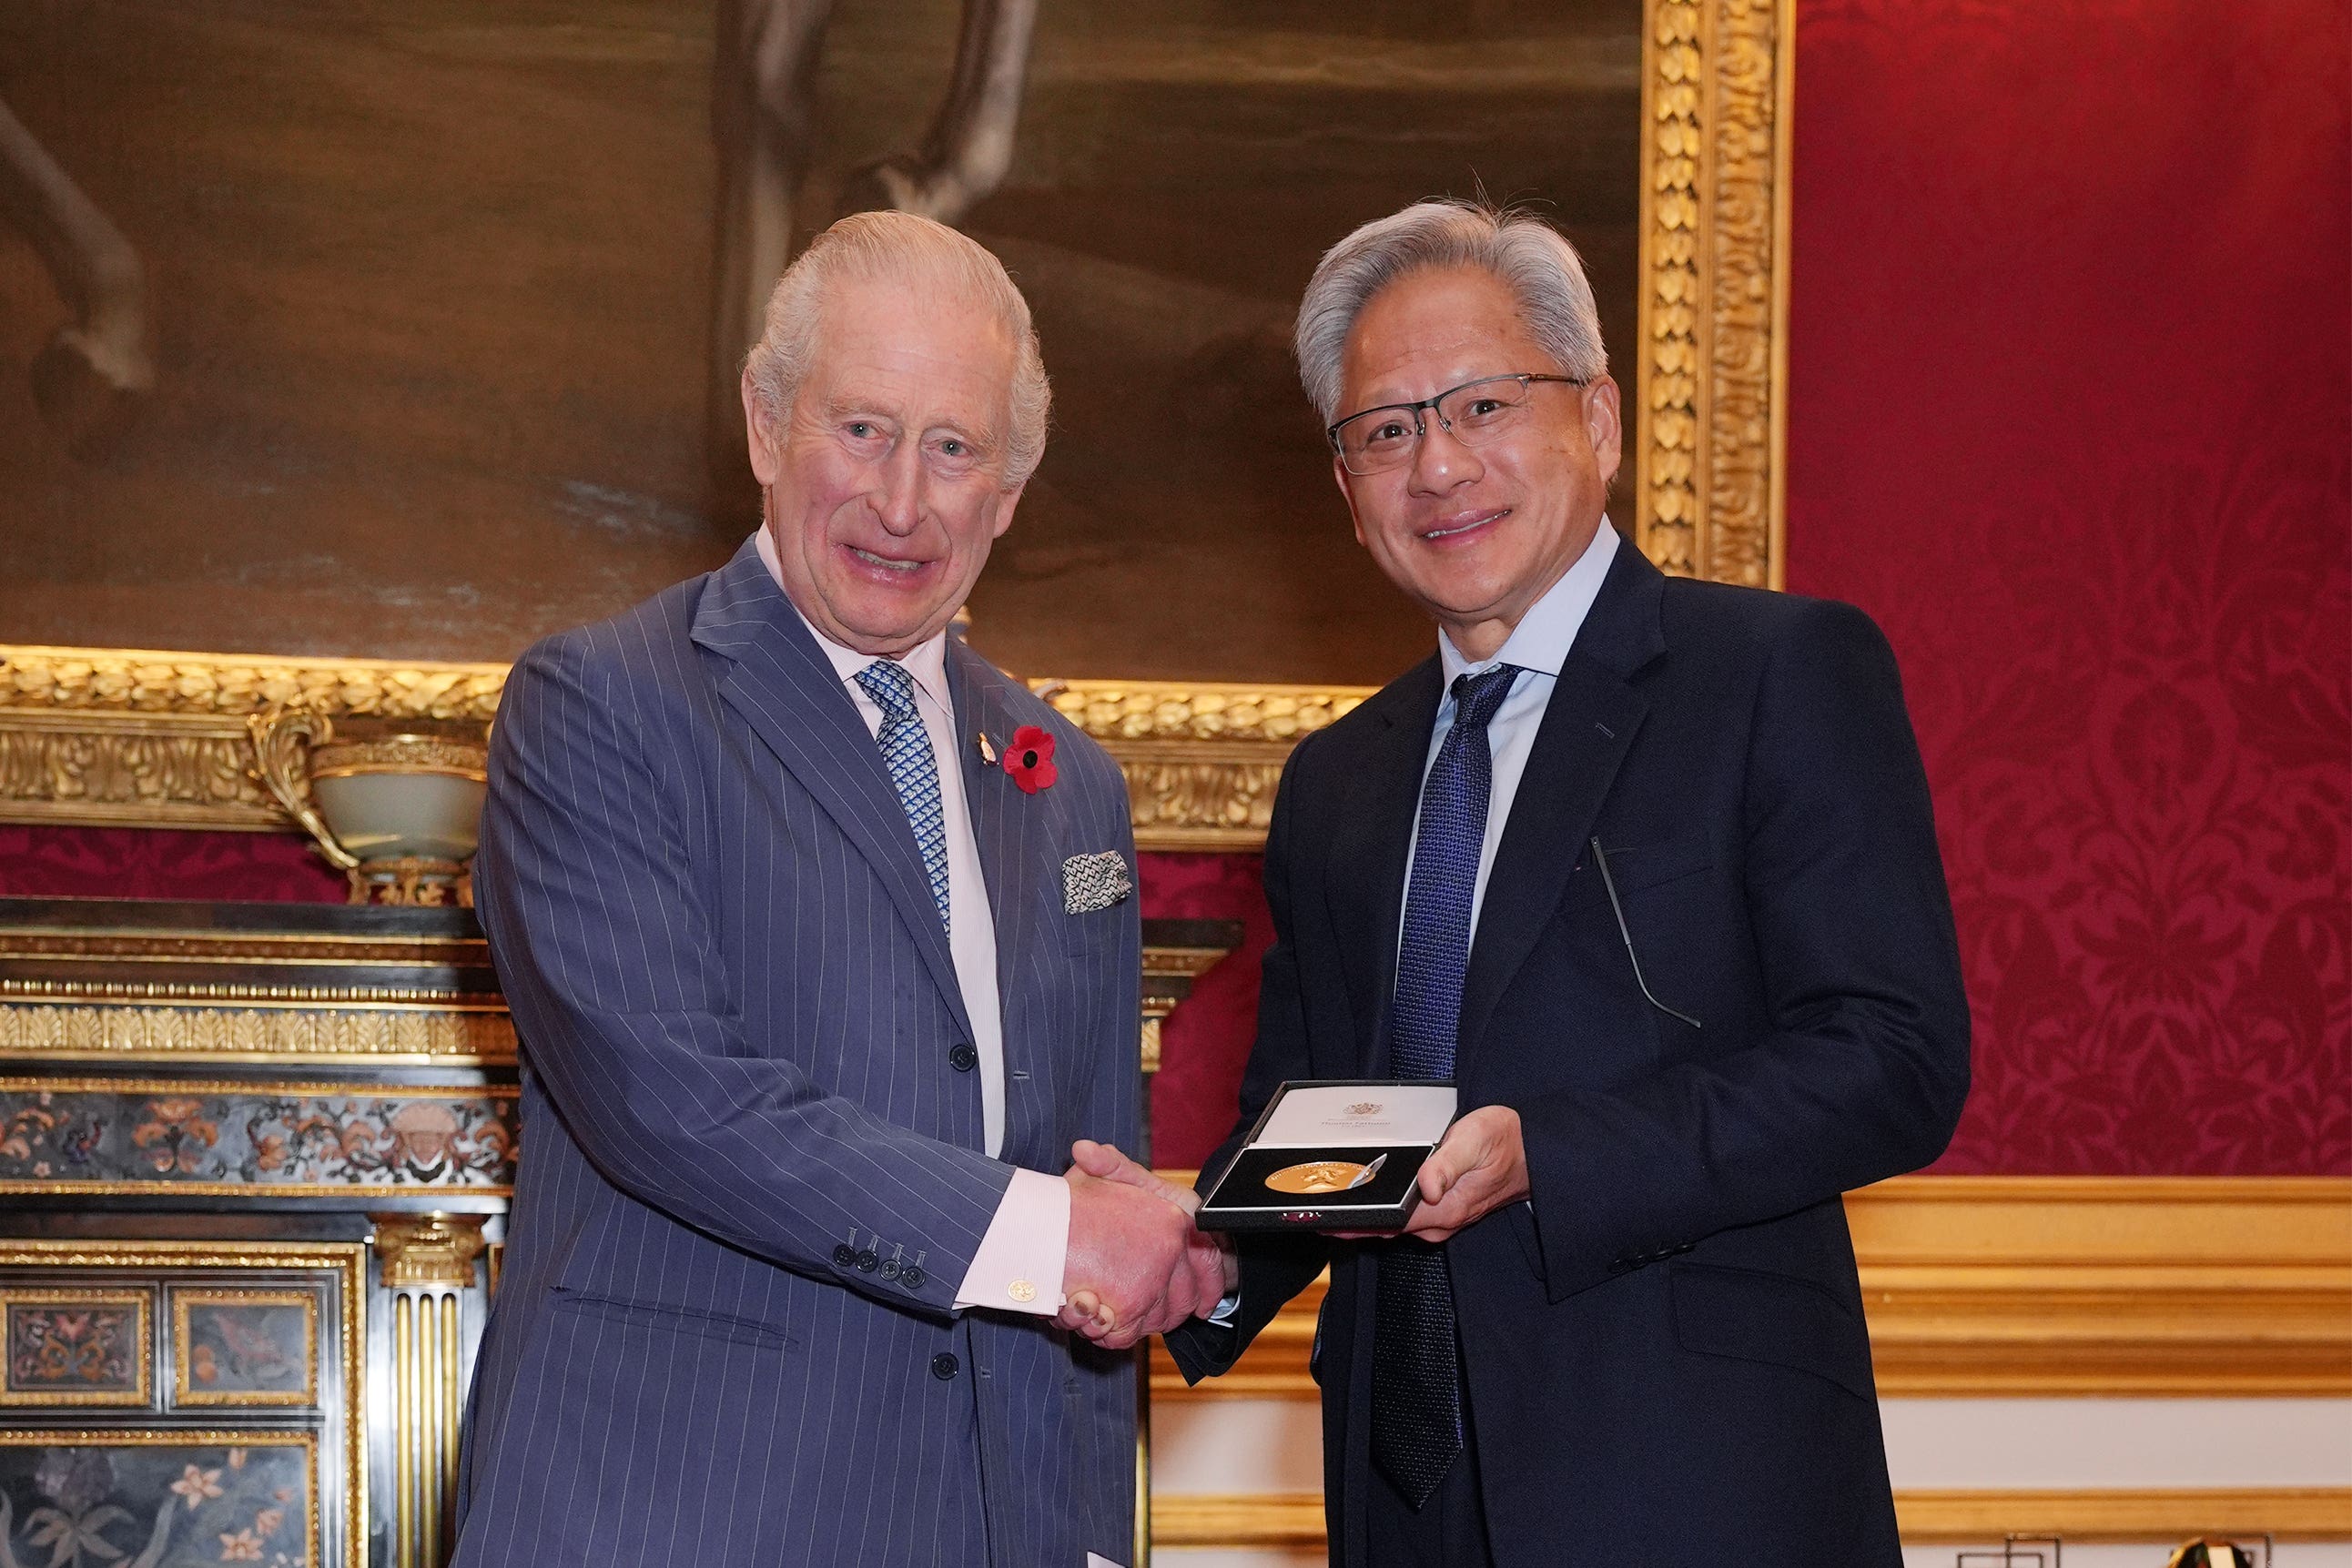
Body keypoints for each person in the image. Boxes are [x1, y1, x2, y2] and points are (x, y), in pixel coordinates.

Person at [1086, 198, 1972, 1564]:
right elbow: (1321, 1123)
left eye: (1483, 404)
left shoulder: (1775, 674)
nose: (1437, 465)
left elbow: (1894, 1057)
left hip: (1696, 1488)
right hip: (1406, 1500)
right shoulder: (1340, 781)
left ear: (1599, 420)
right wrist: (1207, 1256)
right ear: (1345, 485)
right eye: (1385, 429)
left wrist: (1548, 1157)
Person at [451, 209, 1216, 1568]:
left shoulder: (1070, 783)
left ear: (1011, 490)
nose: (903, 502)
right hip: (679, 1515)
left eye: (954, 448)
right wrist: (1063, 1234)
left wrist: (1089, 1536)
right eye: (861, 430)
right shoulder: (600, 707)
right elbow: (677, 1103)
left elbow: (1093, 1170)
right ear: (764, 424)